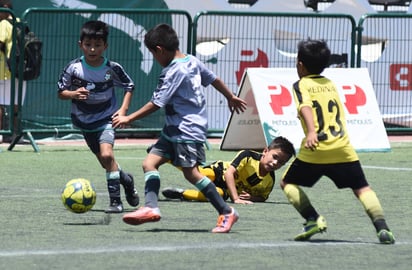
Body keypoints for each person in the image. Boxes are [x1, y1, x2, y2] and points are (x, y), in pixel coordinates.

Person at [112, 23, 247, 233]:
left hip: (187, 130)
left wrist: (128, 118)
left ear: (159, 50)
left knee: (191, 173)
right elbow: (214, 79)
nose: (155, 59)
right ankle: (150, 207)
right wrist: (230, 96)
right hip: (174, 129)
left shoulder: (173, 71)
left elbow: (157, 103)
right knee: (149, 163)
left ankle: (227, 212)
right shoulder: (191, 60)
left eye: (153, 54)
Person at [280, 39, 395, 244]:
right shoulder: (330, 84)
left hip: (316, 148)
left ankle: (312, 219)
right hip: (342, 147)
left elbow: (305, 107)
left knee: (287, 183)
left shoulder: (300, 84)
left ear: (300, 65)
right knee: (362, 188)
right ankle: (382, 228)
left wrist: (312, 132)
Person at [57, 20, 139, 213]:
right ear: (80, 45)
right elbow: (60, 92)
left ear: (105, 46)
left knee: (107, 155)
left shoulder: (111, 69)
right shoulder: (73, 68)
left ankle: (115, 203)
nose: (92, 49)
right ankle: (126, 180)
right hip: (85, 124)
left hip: (105, 120)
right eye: (88, 45)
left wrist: (123, 110)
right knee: (106, 163)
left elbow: (130, 86)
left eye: (98, 45)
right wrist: (73, 94)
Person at [162, 136, 295, 204]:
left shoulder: (270, 180)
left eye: (281, 162)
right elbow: (229, 173)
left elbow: (263, 197)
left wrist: (253, 198)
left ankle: (181, 193)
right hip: (219, 172)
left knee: (216, 195)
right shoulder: (248, 155)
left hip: (226, 190)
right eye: (275, 157)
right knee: (200, 173)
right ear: (265, 151)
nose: (275, 163)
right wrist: (236, 198)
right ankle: (166, 156)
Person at [0, 0, 26, 142]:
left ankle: (1, 134)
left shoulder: (3, 24)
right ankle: (16, 135)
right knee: (16, 104)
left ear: (5, 9)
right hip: (21, 71)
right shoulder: (21, 22)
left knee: (0, 103)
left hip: (5, 70)